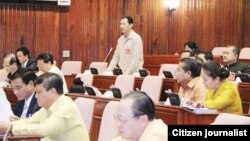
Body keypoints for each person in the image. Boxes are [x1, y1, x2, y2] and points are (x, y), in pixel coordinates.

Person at [0, 73, 89, 141]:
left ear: (52, 92)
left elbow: (44, 129)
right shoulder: (47, 107)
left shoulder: (66, 107)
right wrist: (11, 125)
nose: (35, 96)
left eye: (39, 92)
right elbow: (31, 121)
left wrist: (11, 128)